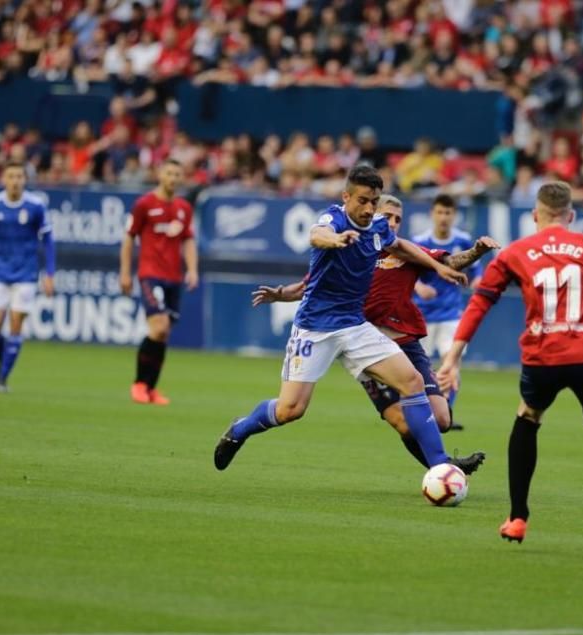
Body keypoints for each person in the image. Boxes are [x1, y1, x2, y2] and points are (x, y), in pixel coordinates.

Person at [214, 165, 469, 473]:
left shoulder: (377, 226)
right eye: (362, 200)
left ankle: (441, 467)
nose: (369, 208)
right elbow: (316, 234)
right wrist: (333, 241)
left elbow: (399, 245)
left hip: (355, 326)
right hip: (315, 328)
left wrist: (437, 266)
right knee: (290, 409)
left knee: (412, 381)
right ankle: (240, 429)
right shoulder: (333, 220)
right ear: (346, 196)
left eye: (373, 201)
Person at [436, 182, 583, 549]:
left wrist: (452, 358)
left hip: (542, 356)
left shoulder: (516, 251)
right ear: (572, 216)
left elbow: (480, 302)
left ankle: (517, 518)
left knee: (528, 417)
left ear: (535, 215)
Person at [251, 194, 499, 472]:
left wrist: (477, 251)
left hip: (404, 339)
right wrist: (280, 294)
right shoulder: (357, 252)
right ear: (373, 217)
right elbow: (307, 285)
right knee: (401, 421)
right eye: (388, 217)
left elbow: (449, 262)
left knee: (442, 420)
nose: (393, 223)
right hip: (366, 342)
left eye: (398, 219)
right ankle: (442, 469)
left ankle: (441, 466)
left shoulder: (407, 252)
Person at [0, 162, 56, 393]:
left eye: (19, 176)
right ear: (3, 179)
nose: (15, 181)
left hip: (26, 274)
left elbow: (48, 241)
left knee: (16, 326)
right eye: (11, 176)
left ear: (25, 180)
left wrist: (50, 273)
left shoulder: (36, 206)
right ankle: (4, 361)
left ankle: (2, 377)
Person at [119, 159, 199, 405]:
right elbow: (129, 238)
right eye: (169, 173)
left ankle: (151, 389)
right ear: (160, 175)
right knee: (159, 328)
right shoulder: (144, 205)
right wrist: (124, 273)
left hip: (173, 277)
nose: (173, 178)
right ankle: (139, 384)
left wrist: (193, 269)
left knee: (163, 335)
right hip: (150, 273)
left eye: (177, 174)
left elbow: (187, 240)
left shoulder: (184, 207)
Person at [412, 193, 482, 429]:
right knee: (418, 370)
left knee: (451, 365)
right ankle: (423, 414)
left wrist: (476, 282)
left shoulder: (462, 240)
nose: (443, 217)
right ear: (432, 214)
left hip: (451, 315)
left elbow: (476, 270)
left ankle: (446, 415)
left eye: (448, 213)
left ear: (454, 216)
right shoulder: (419, 240)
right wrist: (419, 287)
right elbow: (406, 273)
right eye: (440, 212)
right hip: (422, 315)